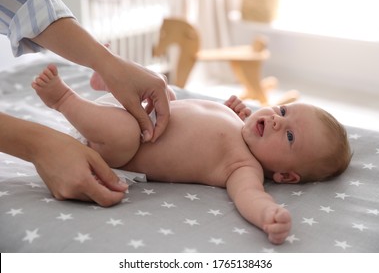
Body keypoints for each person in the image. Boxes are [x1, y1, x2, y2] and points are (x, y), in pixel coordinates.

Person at [32, 64, 352, 244]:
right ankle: (114, 77)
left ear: (284, 176)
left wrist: (268, 215)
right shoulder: (242, 125)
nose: (276, 120)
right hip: (139, 113)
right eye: (283, 110)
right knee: (164, 89)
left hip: (115, 147)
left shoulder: (243, 166)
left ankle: (63, 99)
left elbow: (250, 197)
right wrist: (234, 113)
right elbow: (203, 121)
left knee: (126, 135)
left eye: (290, 135)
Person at [0, 0, 170, 206]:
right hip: (123, 146)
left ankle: (107, 81)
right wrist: (36, 145)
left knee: (165, 96)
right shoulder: (227, 162)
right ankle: (64, 99)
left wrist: (107, 63)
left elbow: (20, 2)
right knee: (124, 133)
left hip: (145, 120)